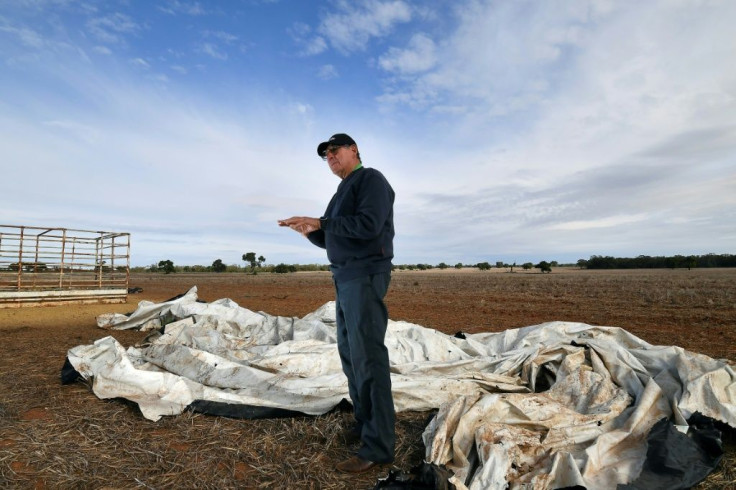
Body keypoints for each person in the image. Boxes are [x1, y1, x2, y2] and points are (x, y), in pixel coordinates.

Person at [278, 133, 396, 474]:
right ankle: (365, 425)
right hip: (344, 277)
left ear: (354, 150)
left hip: (364, 275)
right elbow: (334, 235)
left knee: (369, 359)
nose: (329, 156)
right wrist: (310, 231)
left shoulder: (370, 179)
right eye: (325, 154)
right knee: (350, 355)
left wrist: (322, 223)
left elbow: (369, 225)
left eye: (335, 150)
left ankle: (379, 447)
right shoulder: (340, 191)